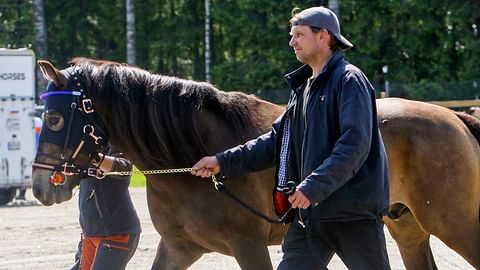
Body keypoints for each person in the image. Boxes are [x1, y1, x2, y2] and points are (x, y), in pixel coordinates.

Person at [191, 6, 390, 270]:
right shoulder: (302, 88)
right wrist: (221, 161)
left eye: (299, 35)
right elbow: (276, 141)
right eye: (292, 35)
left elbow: (354, 144)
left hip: (352, 213)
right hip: (311, 215)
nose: (291, 42)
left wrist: (312, 187)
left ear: (324, 37)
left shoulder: (350, 81)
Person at [70, 148, 141, 270]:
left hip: (117, 233)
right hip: (89, 234)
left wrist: (95, 158)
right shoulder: (84, 143)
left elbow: (125, 167)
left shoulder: (115, 139)